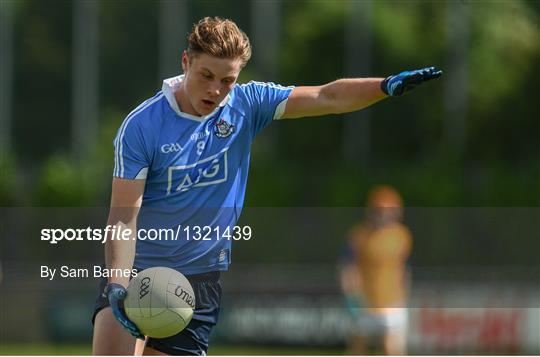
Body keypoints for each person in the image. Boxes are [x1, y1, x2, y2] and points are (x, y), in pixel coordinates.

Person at [92, 17, 439, 356]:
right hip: (138, 270)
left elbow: (326, 97)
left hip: (197, 282)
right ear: (186, 62)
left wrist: (384, 86)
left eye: (227, 80)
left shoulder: (247, 104)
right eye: (206, 76)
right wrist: (118, 285)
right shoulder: (142, 126)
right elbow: (123, 219)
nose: (215, 90)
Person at [339, 186, 413, 355]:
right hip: (366, 302)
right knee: (358, 348)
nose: (383, 216)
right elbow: (348, 268)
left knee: (393, 349)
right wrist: (352, 297)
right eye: (379, 211)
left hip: (393, 303)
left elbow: (405, 269)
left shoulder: (402, 236)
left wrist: (404, 296)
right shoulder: (359, 236)